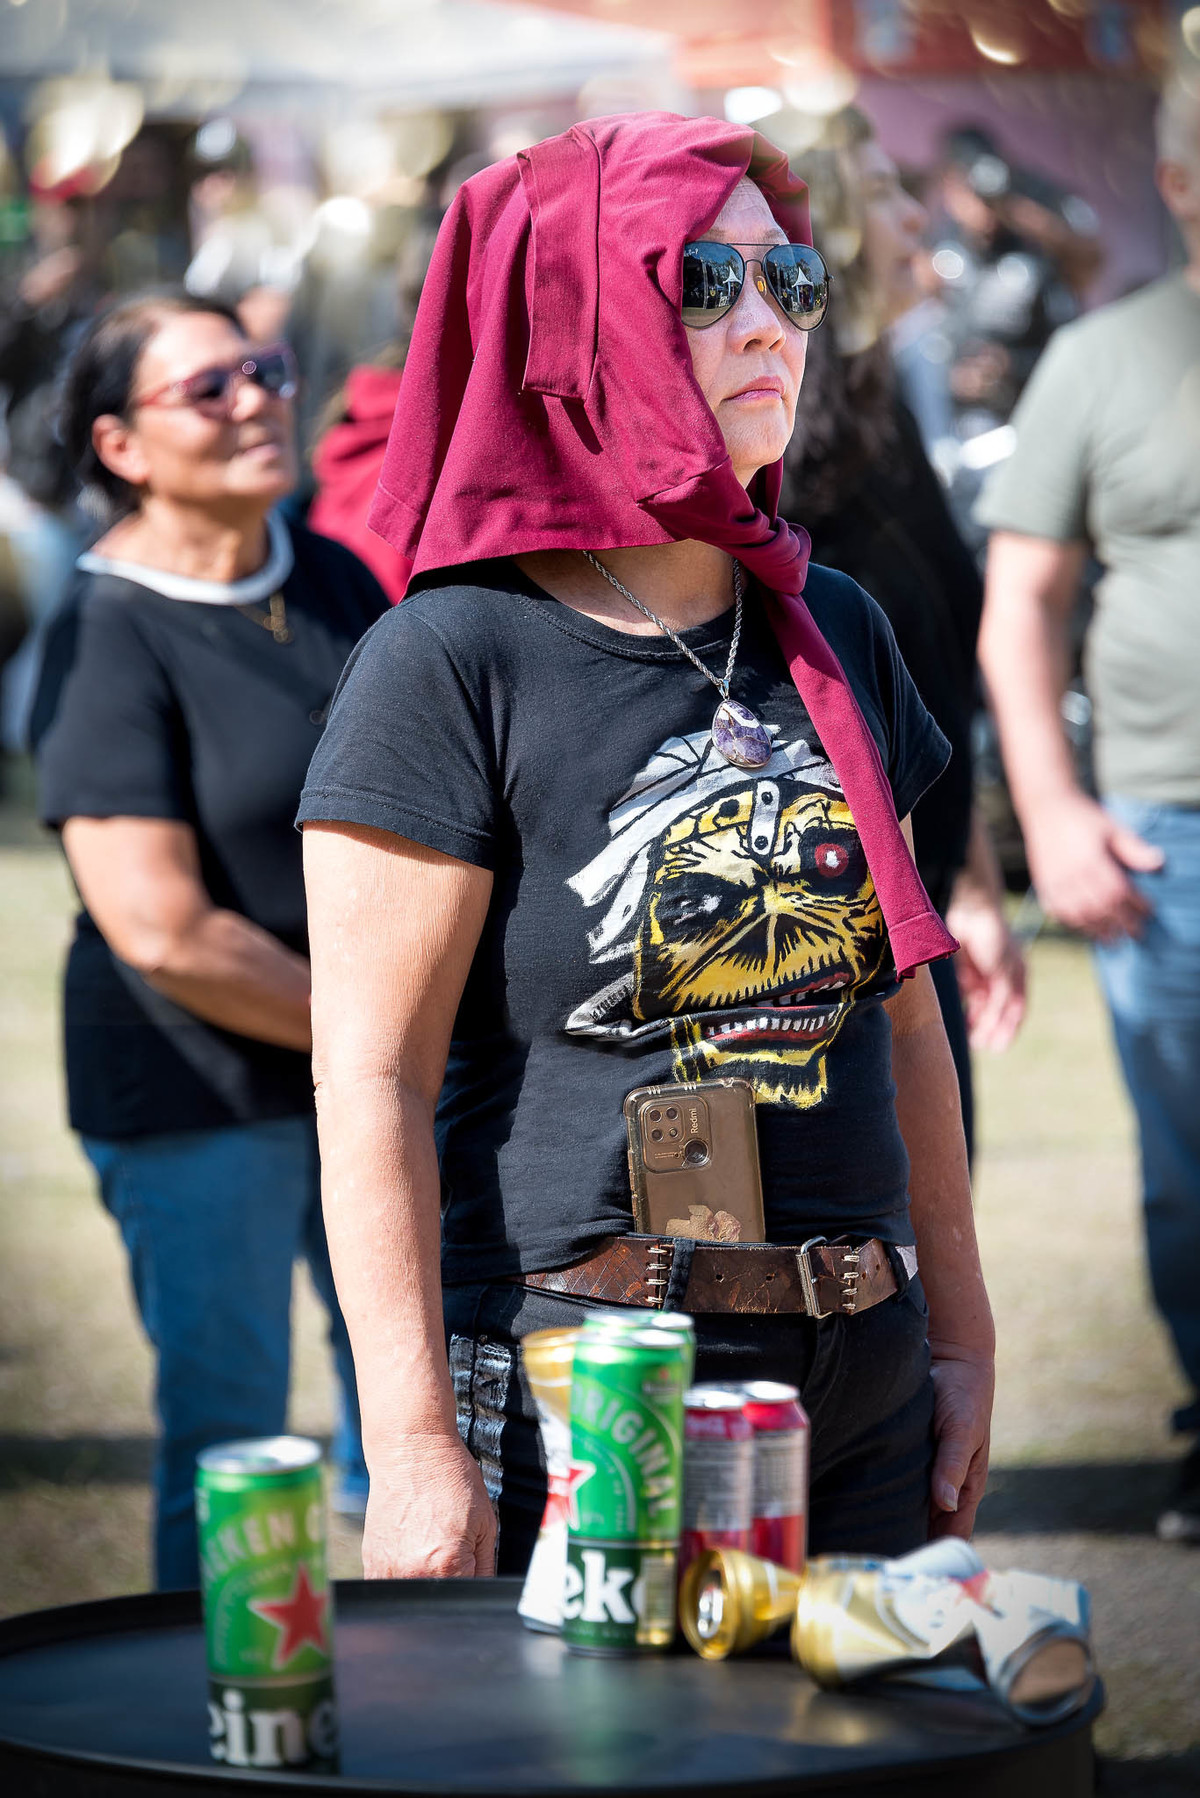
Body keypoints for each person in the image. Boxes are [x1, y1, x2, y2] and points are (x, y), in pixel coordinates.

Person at [298, 112, 994, 1583]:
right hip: (585, 1387)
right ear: (583, 319)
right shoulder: (451, 658)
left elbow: (908, 1008)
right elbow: (372, 1074)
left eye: (792, 280)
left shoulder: (834, 620)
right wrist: (414, 1435)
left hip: (855, 1372)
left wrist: (964, 1333)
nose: (771, 325)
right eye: (707, 282)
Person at [32, 293, 389, 1586]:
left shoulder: (335, 577)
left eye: (266, 370)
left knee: (412, 1403)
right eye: (210, 387)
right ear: (121, 443)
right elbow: (163, 929)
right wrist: (383, 1037)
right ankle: (202, 1735)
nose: (258, 399)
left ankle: (421, 1697)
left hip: (360, 1077)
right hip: (196, 1091)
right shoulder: (105, 625)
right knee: (233, 1441)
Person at [976, 73, 1200, 1545]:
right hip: (1170, 830)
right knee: (1193, 1173)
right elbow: (1020, 609)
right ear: (1182, 185)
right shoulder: (1105, 359)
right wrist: (1049, 815)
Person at [780, 107, 1025, 1160]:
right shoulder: (789, 440)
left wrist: (969, 878)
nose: (911, 214)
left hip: (920, 885)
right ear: (829, 225)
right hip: (828, 911)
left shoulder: (884, 406)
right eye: (879, 190)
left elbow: (923, 685)